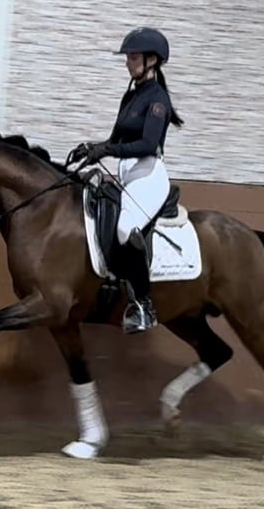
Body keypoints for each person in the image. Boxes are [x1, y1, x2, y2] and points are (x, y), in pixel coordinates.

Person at [70, 26, 184, 334]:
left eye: (133, 57)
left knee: (124, 228)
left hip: (148, 173)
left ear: (151, 60)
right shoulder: (130, 96)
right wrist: (92, 148)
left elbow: (147, 145)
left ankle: (144, 305)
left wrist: (107, 149)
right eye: (129, 57)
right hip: (126, 173)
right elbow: (115, 140)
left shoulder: (158, 99)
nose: (127, 62)